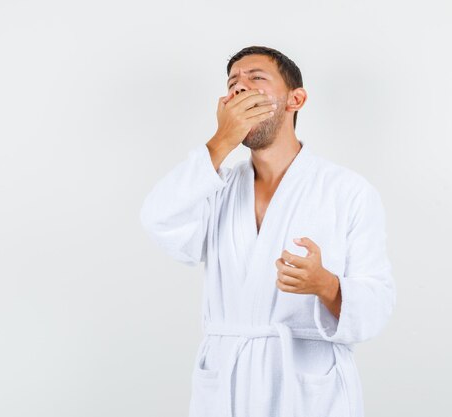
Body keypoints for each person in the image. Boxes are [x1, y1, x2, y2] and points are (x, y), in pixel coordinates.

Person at [139, 45, 396, 417]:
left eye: (256, 78)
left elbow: (376, 306)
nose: (240, 89)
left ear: (296, 99)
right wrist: (221, 142)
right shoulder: (215, 187)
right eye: (232, 84)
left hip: (307, 389)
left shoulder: (347, 191)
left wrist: (325, 284)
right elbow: (157, 219)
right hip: (227, 383)